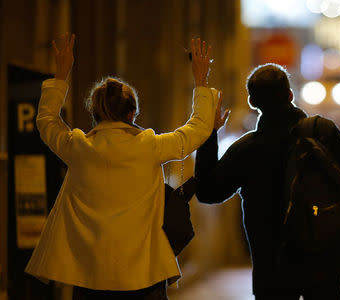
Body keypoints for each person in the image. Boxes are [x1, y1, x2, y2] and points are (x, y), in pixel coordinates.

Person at [25, 33, 218, 300]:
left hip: (89, 276)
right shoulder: (150, 147)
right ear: (132, 114)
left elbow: (46, 120)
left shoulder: (78, 147)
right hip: (144, 276)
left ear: (95, 113)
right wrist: (201, 79)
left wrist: (61, 75)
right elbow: (197, 129)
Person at [194, 63, 340, 300]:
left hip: (273, 271)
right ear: (290, 95)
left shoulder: (246, 149)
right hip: (325, 264)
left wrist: (209, 136)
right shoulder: (322, 132)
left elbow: (208, 192)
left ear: (252, 102)